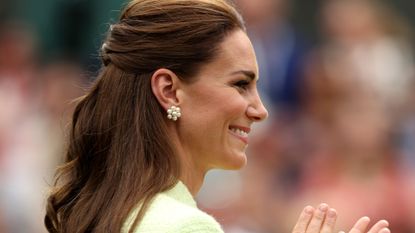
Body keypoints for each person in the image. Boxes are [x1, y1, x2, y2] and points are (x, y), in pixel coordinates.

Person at [44, 0, 391, 232]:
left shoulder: (107, 212)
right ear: (168, 90)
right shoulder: (184, 226)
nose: (260, 110)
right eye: (240, 84)